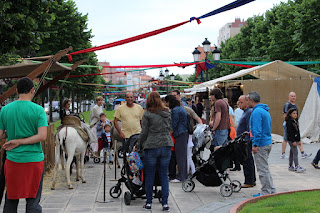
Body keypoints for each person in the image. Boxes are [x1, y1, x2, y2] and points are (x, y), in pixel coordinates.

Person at [0, 77, 48, 212]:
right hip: (33, 161)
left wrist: (14, 135)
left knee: (11, 200)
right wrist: (20, 141)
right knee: (32, 201)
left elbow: (1, 134)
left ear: (16, 91)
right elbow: (42, 136)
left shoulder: (5, 110)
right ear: (32, 90)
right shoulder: (38, 110)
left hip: (13, 161)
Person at [135, 92, 173, 211]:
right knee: (164, 175)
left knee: (150, 175)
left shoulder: (147, 113)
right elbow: (171, 128)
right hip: (166, 144)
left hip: (151, 145)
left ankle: (149, 202)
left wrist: (138, 145)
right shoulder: (167, 112)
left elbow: (144, 132)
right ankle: (165, 203)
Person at [248, 91, 276, 197]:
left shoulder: (256, 112)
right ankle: (271, 189)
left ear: (251, 100)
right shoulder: (264, 110)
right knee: (265, 168)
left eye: (247, 99)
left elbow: (257, 130)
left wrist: (255, 145)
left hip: (261, 144)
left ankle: (266, 192)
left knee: (262, 169)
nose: (247, 101)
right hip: (267, 142)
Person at [165, 95, 188, 183]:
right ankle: (183, 175)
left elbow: (173, 125)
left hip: (180, 135)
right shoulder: (179, 108)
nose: (166, 104)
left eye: (166, 102)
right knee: (182, 156)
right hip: (182, 134)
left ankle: (181, 177)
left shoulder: (175, 110)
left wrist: (168, 135)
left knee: (180, 157)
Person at [281, 92, 311, 159]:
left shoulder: (295, 105)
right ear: (289, 97)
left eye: (294, 96)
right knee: (285, 138)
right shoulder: (287, 105)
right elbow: (285, 115)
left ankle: (303, 153)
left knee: (298, 137)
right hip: (288, 124)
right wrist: (288, 123)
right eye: (292, 96)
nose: (293, 97)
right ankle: (282, 154)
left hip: (294, 124)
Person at [236, 95, 256, 188]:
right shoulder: (245, 112)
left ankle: (249, 181)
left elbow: (249, 127)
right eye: (239, 102)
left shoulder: (249, 112)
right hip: (244, 140)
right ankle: (252, 179)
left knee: (247, 160)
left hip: (246, 140)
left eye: (241, 102)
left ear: (247, 102)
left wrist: (247, 139)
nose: (239, 104)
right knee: (248, 160)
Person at [286, 108, 306, 173]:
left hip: (296, 139)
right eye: (293, 113)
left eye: (296, 113)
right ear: (290, 114)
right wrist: (293, 141)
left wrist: (299, 140)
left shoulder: (295, 121)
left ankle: (290, 165)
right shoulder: (289, 122)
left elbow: (298, 131)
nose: (295, 115)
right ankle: (297, 166)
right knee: (295, 152)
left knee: (292, 152)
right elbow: (290, 133)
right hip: (291, 140)